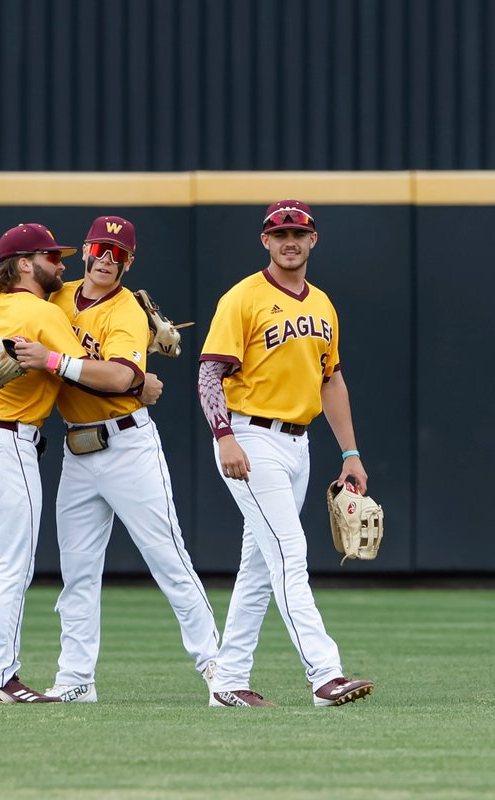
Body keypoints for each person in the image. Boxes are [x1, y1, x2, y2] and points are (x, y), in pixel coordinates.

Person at [0, 223, 141, 705]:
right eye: (51, 258)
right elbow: (88, 371)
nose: (61, 266)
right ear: (25, 264)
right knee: (11, 569)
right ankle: (1, 678)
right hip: (8, 444)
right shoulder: (41, 311)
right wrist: (140, 382)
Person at [17, 216, 219, 703]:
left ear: (130, 262)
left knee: (168, 558)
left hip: (127, 444)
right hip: (76, 447)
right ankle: (75, 679)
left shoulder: (126, 309)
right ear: (85, 250)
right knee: (78, 571)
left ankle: (220, 670)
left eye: (119, 252)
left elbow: (118, 377)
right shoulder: (56, 297)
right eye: (101, 248)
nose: (108, 259)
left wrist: (59, 363)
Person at [197, 200, 375, 709]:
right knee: (289, 553)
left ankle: (228, 681)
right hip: (250, 440)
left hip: (299, 443)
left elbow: (332, 378)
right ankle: (325, 674)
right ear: (265, 241)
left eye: (298, 232)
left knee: (258, 567)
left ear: (313, 239)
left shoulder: (322, 304)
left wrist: (351, 452)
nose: (290, 240)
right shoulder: (243, 298)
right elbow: (210, 373)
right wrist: (224, 435)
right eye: (280, 233)